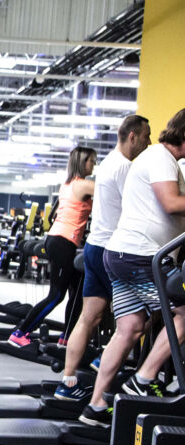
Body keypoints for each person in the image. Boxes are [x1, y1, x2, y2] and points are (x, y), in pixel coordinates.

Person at [79, 108, 185, 428]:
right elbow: (171, 203)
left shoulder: (160, 159)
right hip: (141, 256)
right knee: (183, 315)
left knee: (129, 328)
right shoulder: (160, 158)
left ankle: (95, 406)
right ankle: (144, 377)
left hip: (124, 254)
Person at [54, 115, 151, 401]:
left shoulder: (108, 163)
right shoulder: (126, 169)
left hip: (95, 247)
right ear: (132, 136)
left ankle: (68, 382)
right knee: (144, 317)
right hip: (113, 249)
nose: (148, 142)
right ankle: (105, 362)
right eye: (146, 136)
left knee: (89, 317)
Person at [8, 147, 97, 348]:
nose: (94, 165)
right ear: (82, 163)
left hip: (60, 240)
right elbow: (111, 191)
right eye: (92, 161)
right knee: (56, 295)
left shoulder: (67, 185)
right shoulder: (83, 185)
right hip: (63, 242)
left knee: (76, 293)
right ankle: (21, 332)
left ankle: (66, 339)